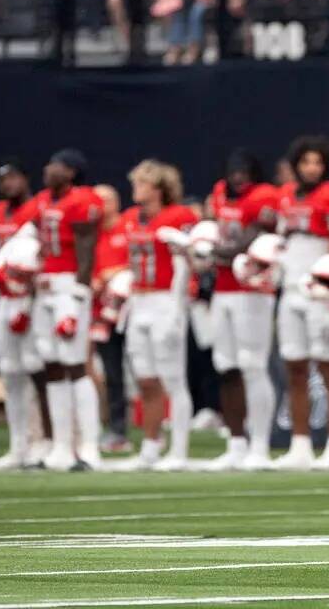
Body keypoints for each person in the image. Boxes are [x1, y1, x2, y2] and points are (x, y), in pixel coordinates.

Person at [274, 137, 329, 471]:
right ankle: (300, 444)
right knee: (294, 367)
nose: (312, 168)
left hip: (319, 287)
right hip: (290, 286)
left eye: (317, 162)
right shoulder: (286, 195)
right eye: (306, 162)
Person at [119, 161, 198, 470]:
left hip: (166, 299)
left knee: (173, 380)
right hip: (138, 300)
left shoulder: (180, 217)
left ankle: (179, 451)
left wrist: (179, 308)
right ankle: (150, 448)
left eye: (142, 183)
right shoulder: (129, 218)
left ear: (159, 188)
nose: (136, 188)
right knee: (146, 381)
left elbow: (192, 261)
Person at [205, 150, 280, 471]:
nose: (239, 177)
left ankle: (260, 445)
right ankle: (236, 443)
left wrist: (215, 251)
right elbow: (213, 228)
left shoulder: (264, 196)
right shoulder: (220, 193)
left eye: (245, 172)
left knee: (253, 365)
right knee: (226, 365)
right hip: (223, 290)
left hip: (253, 290)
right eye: (235, 171)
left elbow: (253, 239)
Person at [30, 150, 103, 471]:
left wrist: (80, 289)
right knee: (52, 365)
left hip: (68, 286)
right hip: (45, 286)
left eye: (56, 164)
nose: (48, 169)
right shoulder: (43, 200)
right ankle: (61, 446)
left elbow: (86, 246)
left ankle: (89, 447)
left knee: (75, 364)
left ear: (72, 172)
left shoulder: (83, 199)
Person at [0, 159, 45, 468]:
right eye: (3, 180)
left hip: (31, 299)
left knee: (36, 369)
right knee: (9, 371)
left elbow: (43, 255)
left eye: (13, 178)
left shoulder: (37, 208)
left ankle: (42, 441)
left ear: (25, 178)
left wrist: (30, 296)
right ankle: (18, 444)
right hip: (6, 298)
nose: (7, 185)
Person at [91, 183, 131, 454]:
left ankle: (159, 425)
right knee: (112, 373)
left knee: (146, 369)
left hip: (132, 309)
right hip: (102, 314)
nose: (101, 206)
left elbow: (139, 260)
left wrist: (114, 272)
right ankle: (116, 428)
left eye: (106, 200)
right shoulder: (90, 234)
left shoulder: (128, 226)